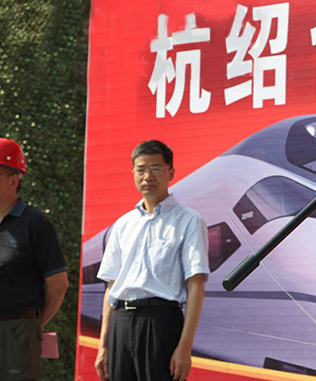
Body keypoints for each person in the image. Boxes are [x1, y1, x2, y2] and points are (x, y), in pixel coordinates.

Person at [94, 140, 209, 381]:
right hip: (120, 322)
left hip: (161, 323)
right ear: (133, 174)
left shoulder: (189, 221)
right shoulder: (123, 224)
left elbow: (196, 286)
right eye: (141, 170)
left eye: (156, 168)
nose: (148, 176)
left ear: (171, 172)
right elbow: (112, 286)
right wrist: (103, 345)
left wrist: (184, 348)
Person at [0, 137, 69, 381]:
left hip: (17, 331)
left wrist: (34, 323)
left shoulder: (35, 224)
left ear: (13, 180)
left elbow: (58, 285)